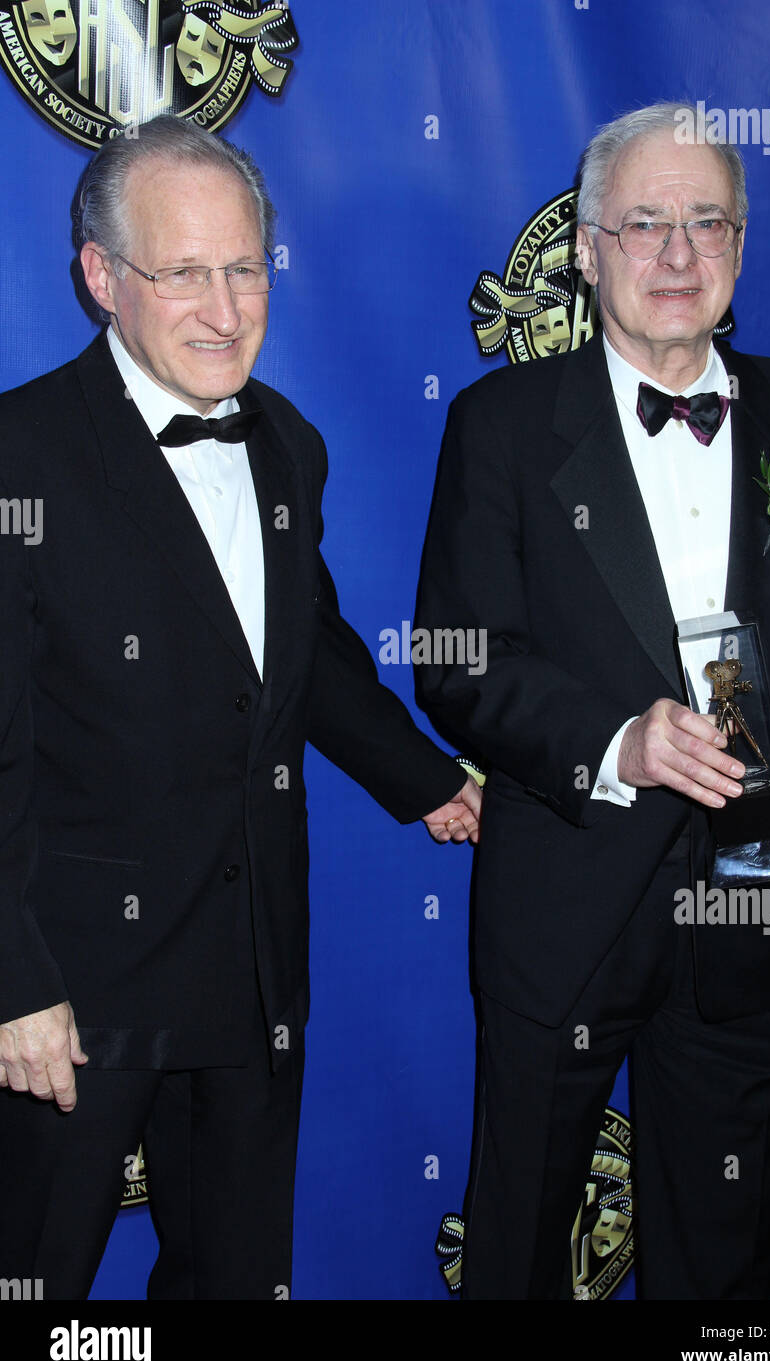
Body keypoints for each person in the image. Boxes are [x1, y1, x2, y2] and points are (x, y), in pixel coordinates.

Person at [0, 114, 480, 1300]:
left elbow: (300, 656)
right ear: (102, 277)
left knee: (234, 1277)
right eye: (183, 273)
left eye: (245, 267)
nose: (225, 309)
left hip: (253, 967)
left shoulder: (287, 446)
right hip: (70, 987)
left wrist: (427, 782)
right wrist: (12, 980)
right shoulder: (17, 456)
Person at [415, 101, 770, 1299]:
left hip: (749, 895)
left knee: (727, 1259)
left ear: (739, 243)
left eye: (705, 223)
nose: (677, 255)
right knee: (515, 1249)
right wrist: (615, 738)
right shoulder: (498, 428)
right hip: (561, 903)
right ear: (585, 247)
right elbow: (457, 660)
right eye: (645, 223)